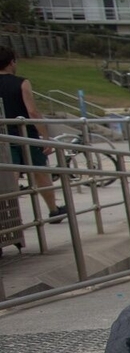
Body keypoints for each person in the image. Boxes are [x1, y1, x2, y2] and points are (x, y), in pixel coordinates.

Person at [0, 46, 64, 222]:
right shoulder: (22, 83)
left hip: (4, 137)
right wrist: (45, 137)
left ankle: (7, 214)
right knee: (40, 172)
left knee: (10, 175)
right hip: (26, 134)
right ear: (11, 62)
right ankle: (53, 210)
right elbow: (33, 112)